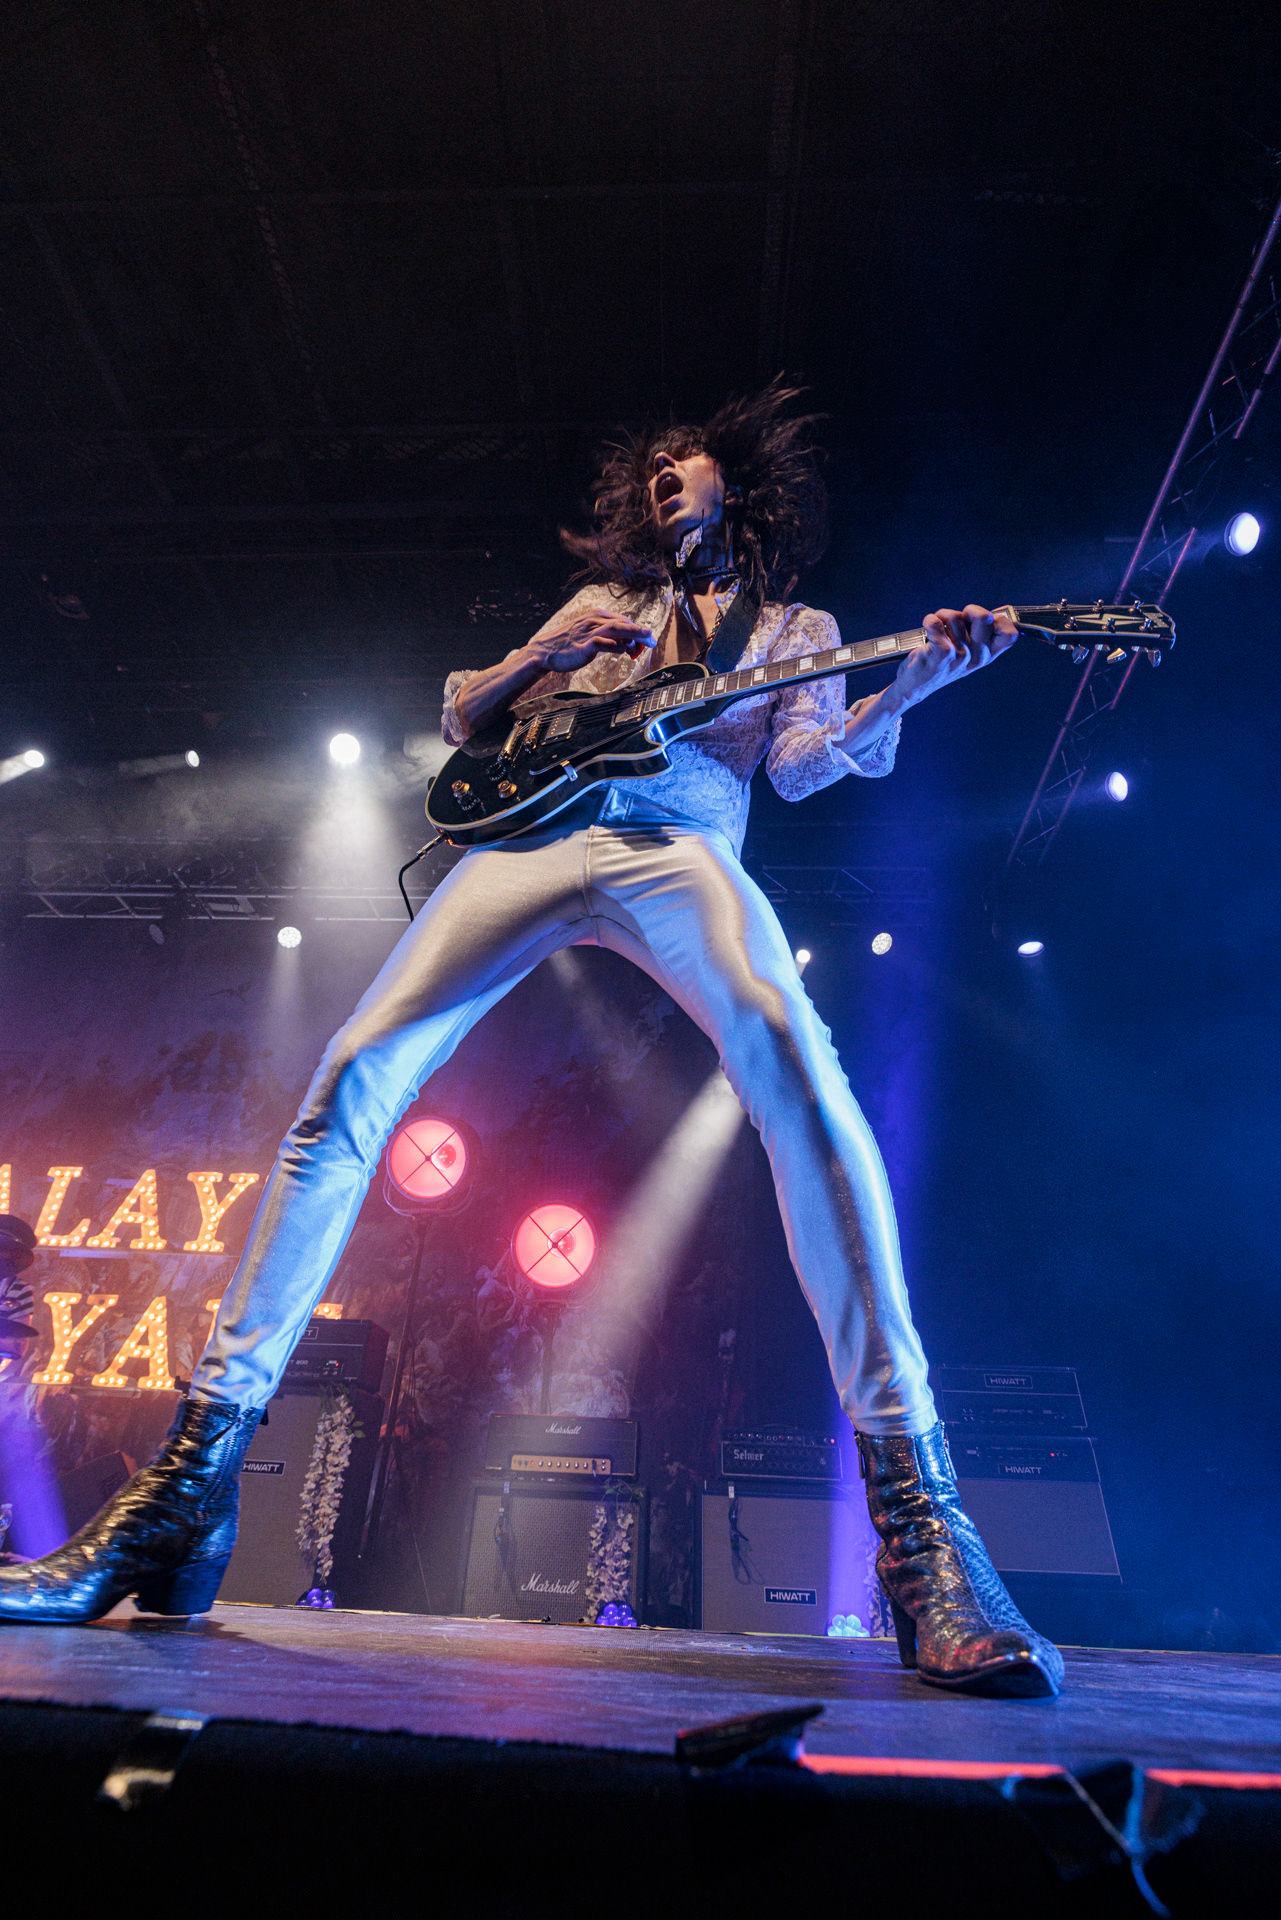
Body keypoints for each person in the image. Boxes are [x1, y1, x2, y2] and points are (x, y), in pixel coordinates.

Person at [0, 383, 1062, 1696]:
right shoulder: (600, 607)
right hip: (538, 842)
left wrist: (908, 685)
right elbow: (465, 724)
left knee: (799, 1078)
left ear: (744, 488)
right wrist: (542, 666)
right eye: (654, 480)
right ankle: (186, 1490)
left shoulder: (794, 627)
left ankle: (922, 1526)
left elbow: (799, 768)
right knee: (351, 1079)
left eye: (689, 476)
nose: (667, 492)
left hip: (681, 845)